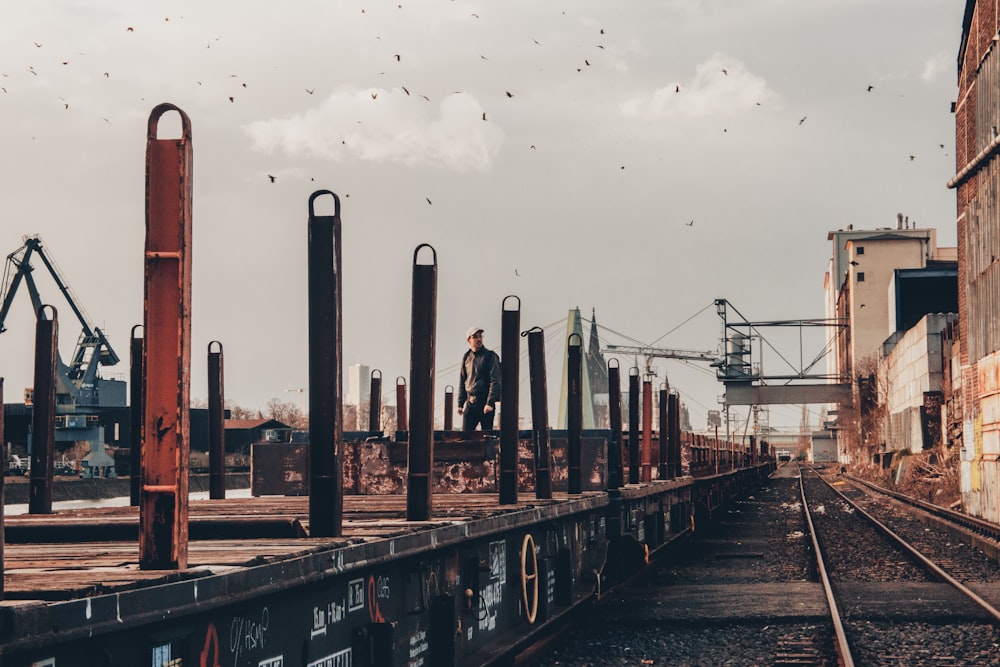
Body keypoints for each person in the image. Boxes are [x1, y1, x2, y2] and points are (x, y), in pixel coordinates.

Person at [458, 326, 501, 431]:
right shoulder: (467, 357)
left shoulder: (490, 356)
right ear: (469, 340)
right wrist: (460, 403)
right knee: (465, 437)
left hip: (485, 402)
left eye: (480, 336)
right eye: (475, 337)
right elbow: (463, 380)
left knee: (487, 438)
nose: (479, 339)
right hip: (470, 402)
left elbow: (495, 381)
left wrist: (490, 403)